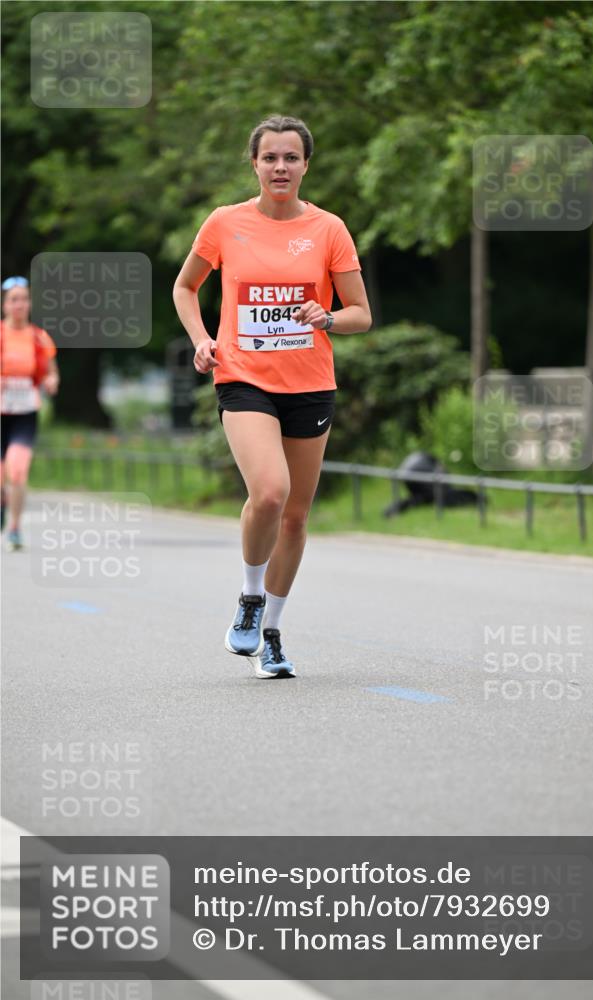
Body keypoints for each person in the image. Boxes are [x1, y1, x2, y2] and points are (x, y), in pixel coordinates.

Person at [173, 115, 372, 676]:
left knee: (296, 516)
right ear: (254, 163)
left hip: (310, 384)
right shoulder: (224, 223)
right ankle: (250, 596)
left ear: (306, 164)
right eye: (270, 158)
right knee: (269, 493)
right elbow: (185, 286)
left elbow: (361, 314)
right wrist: (202, 339)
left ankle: (274, 634)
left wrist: (327, 317)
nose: (280, 167)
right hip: (243, 376)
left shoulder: (330, 229)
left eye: (290, 157)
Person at [1, 276, 59, 550]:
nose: (19, 305)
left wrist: (51, 382)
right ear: (4, 305)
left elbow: (51, 372)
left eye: (24, 299)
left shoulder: (39, 337)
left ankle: (14, 528)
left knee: (18, 469)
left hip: (25, 411)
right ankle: (3, 503)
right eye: (14, 299)